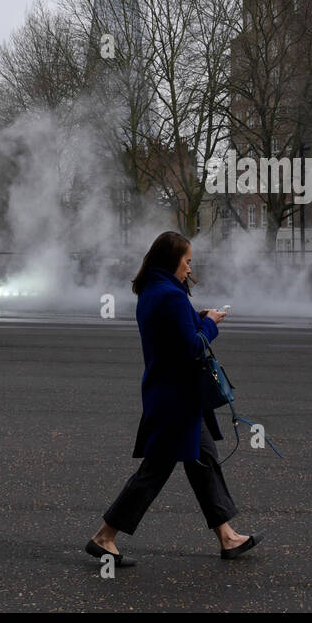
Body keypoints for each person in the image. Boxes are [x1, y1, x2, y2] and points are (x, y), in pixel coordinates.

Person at [86, 231, 261, 567]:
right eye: (187, 261)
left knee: (203, 460)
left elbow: (173, 333)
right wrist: (210, 323)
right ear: (173, 260)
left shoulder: (152, 291)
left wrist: (199, 317)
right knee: (155, 471)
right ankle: (104, 537)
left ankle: (227, 536)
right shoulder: (171, 295)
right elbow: (192, 347)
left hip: (168, 393)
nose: (190, 269)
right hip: (177, 399)